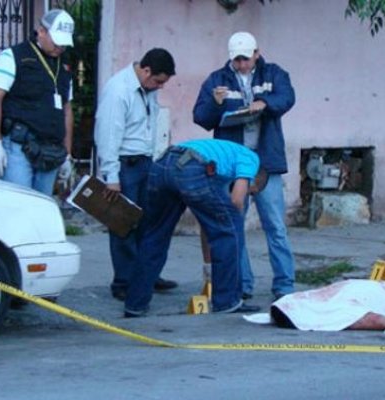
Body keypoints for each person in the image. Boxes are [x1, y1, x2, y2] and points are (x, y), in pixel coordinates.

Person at [193, 31, 296, 301]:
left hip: (266, 163)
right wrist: (216, 104)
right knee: (234, 224)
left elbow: (287, 98)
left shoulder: (274, 74)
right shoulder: (217, 80)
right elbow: (201, 117)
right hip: (234, 164)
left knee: (275, 225)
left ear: (256, 54)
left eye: (245, 59)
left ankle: (284, 285)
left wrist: (265, 103)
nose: (241, 64)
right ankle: (243, 284)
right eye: (236, 60)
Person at [124, 139, 264, 317]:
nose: (249, 194)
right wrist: (233, 215)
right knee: (229, 233)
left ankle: (135, 304)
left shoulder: (225, 153)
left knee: (155, 235)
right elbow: (237, 198)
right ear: (255, 180)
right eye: (251, 192)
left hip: (162, 165)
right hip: (192, 169)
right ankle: (227, 302)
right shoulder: (251, 158)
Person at [94, 48, 178, 301]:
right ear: (146, 70)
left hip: (144, 162)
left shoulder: (147, 89)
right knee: (123, 224)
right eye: (158, 81)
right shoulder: (119, 90)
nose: (160, 87)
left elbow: (148, 127)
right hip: (124, 164)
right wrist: (111, 175)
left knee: (147, 222)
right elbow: (108, 134)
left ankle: (146, 275)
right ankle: (124, 281)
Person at [0, 9, 74, 195]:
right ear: (41, 31)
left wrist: (67, 154)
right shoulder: (13, 56)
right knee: (19, 207)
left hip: (51, 149)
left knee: (42, 208)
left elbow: (66, 110)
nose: (60, 48)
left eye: (64, 44)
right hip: (19, 147)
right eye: (57, 42)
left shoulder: (64, 68)